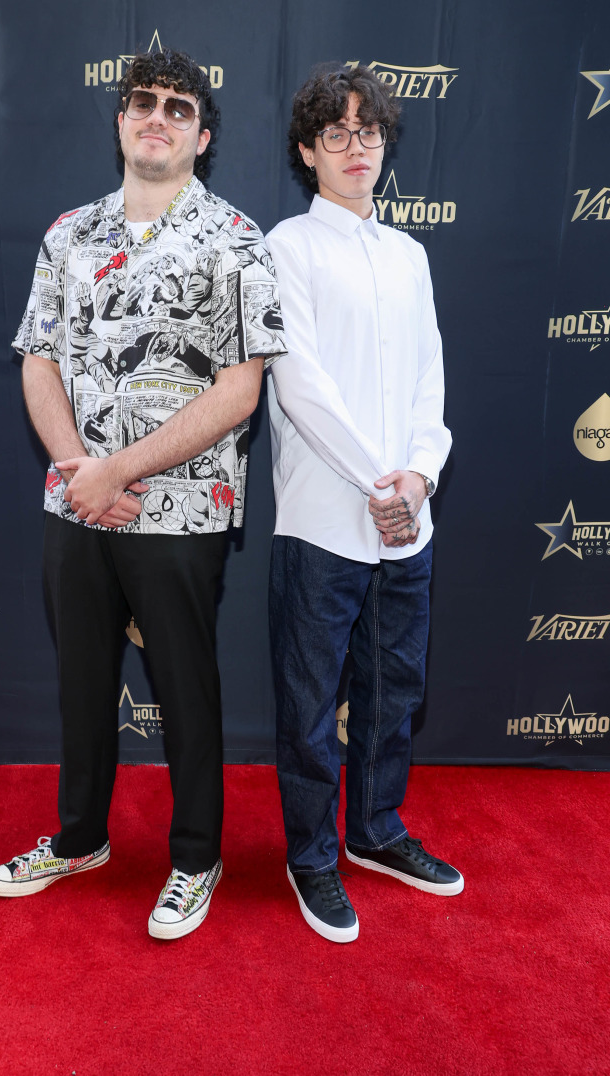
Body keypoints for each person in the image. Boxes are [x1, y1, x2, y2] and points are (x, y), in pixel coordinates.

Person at [0, 49, 283, 940]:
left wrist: (121, 471)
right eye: (142, 102)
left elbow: (240, 390)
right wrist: (84, 470)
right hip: (75, 500)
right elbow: (38, 362)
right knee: (83, 682)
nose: (158, 117)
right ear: (119, 120)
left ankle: (196, 858)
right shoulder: (67, 234)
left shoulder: (239, 239)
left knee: (184, 685)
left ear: (203, 133)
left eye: (178, 107)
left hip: (183, 507)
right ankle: (80, 839)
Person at [266, 64, 461, 944]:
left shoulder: (410, 254)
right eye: (335, 134)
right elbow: (299, 384)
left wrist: (417, 476)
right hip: (321, 518)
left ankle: (377, 831)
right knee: (311, 705)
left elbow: (429, 380)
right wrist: (377, 483)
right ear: (308, 152)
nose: (356, 147)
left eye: (368, 130)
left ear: (385, 143)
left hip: (405, 521)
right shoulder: (286, 247)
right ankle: (311, 857)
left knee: (396, 687)